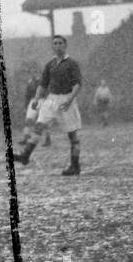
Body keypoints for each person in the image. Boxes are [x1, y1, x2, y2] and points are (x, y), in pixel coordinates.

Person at [13, 34, 83, 174]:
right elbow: (43, 84)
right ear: (52, 46)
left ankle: (75, 165)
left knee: (73, 135)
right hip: (51, 99)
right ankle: (25, 156)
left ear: (65, 45)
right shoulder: (50, 64)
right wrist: (36, 99)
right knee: (38, 126)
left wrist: (70, 100)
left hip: (66, 100)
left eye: (60, 43)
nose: (57, 46)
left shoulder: (71, 64)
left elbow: (77, 84)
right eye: (55, 43)